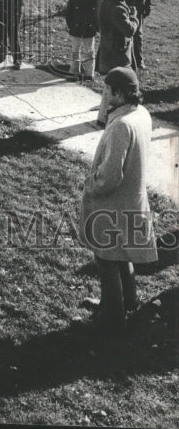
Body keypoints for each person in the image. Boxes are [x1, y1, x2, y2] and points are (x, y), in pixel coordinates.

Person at [79, 66, 157, 333]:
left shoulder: (121, 125)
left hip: (114, 204)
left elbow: (111, 175)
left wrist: (92, 184)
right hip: (133, 200)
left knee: (107, 258)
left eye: (107, 89)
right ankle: (127, 301)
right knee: (123, 256)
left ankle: (112, 316)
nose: (104, 93)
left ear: (120, 93)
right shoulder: (141, 114)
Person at [65, 0, 100, 81]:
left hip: (89, 30)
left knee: (89, 52)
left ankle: (89, 73)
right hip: (76, 29)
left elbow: (99, 14)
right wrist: (70, 25)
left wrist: (96, 27)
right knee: (75, 51)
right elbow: (68, 12)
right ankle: (75, 71)